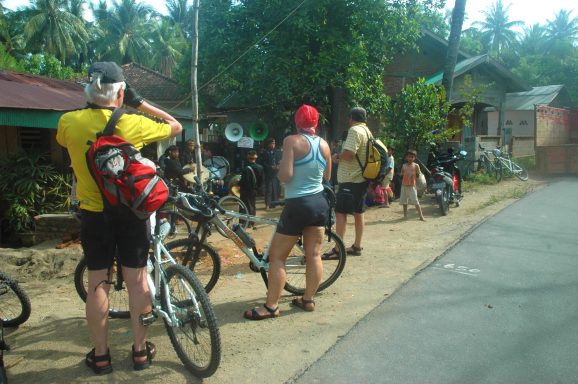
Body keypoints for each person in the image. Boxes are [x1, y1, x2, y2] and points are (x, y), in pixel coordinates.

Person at [56, 61, 182, 375]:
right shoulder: (133, 122)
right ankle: (140, 352)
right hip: (131, 213)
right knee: (138, 281)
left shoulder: (68, 122)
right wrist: (139, 103)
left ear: (88, 89)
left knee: (98, 282)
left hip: (94, 215)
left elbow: (65, 144)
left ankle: (101, 356)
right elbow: (175, 126)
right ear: (121, 91)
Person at [243, 104, 331, 320]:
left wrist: (284, 163)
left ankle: (271, 306)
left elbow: (285, 177)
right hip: (320, 202)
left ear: (297, 122)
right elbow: (327, 175)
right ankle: (308, 299)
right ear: (316, 122)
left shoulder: (292, 141)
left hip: (298, 204)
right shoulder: (325, 144)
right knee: (313, 254)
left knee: (277, 257)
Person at [328, 107, 370, 257]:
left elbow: (350, 153)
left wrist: (337, 157)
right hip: (362, 178)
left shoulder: (354, 131)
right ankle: (357, 246)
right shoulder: (367, 131)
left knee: (340, 212)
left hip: (350, 179)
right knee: (359, 212)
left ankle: (338, 249)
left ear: (352, 117)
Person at [239, 150, 263, 228]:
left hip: (245, 191)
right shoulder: (260, 167)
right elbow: (262, 181)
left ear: (248, 158)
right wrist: (257, 189)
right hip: (254, 191)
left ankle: (244, 223)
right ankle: (252, 222)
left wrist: (237, 183)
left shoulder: (246, 169)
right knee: (252, 206)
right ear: (255, 158)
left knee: (244, 206)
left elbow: (243, 181)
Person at [400, 149, 425, 221]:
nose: (410, 158)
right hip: (404, 185)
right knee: (404, 201)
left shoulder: (416, 166)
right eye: (409, 157)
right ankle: (405, 216)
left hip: (412, 186)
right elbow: (401, 174)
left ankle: (421, 216)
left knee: (416, 201)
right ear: (406, 157)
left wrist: (413, 176)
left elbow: (418, 175)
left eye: (412, 157)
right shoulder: (404, 165)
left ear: (414, 158)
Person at [259, 137, 282, 210]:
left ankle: (275, 203)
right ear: (268, 144)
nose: (273, 145)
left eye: (274, 143)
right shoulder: (264, 153)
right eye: (272, 143)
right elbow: (262, 163)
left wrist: (279, 166)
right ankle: (267, 205)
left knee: (276, 188)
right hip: (268, 173)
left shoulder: (277, 152)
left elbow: (280, 161)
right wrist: (270, 167)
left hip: (276, 173)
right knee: (269, 189)